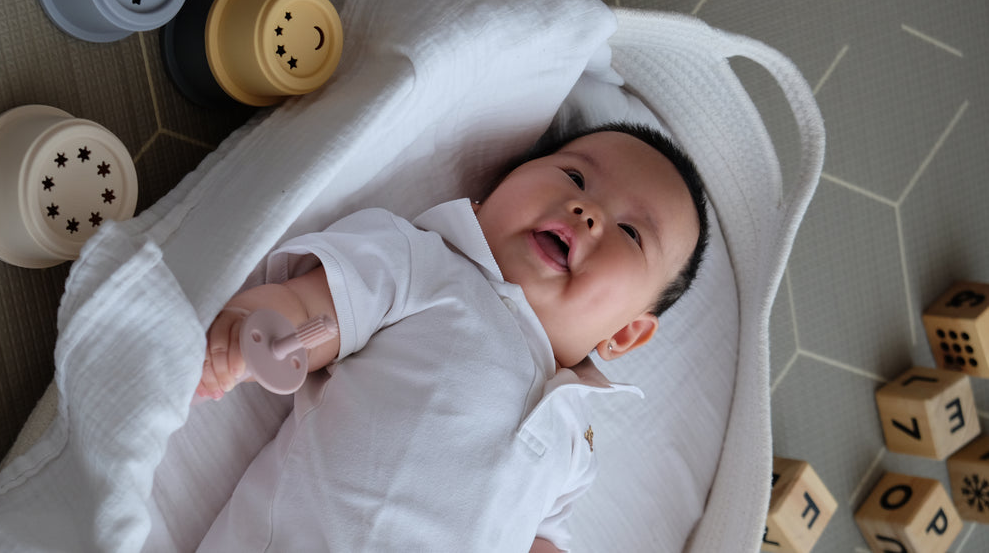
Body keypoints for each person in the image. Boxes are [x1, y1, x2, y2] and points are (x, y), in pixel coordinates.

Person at [194, 121, 710, 552]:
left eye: (630, 233)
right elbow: (315, 308)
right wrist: (253, 325)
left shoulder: (577, 440)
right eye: (574, 176)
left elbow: (541, 534)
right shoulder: (425, 265)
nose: (588, 211)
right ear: (485, 200)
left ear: (624, 333)